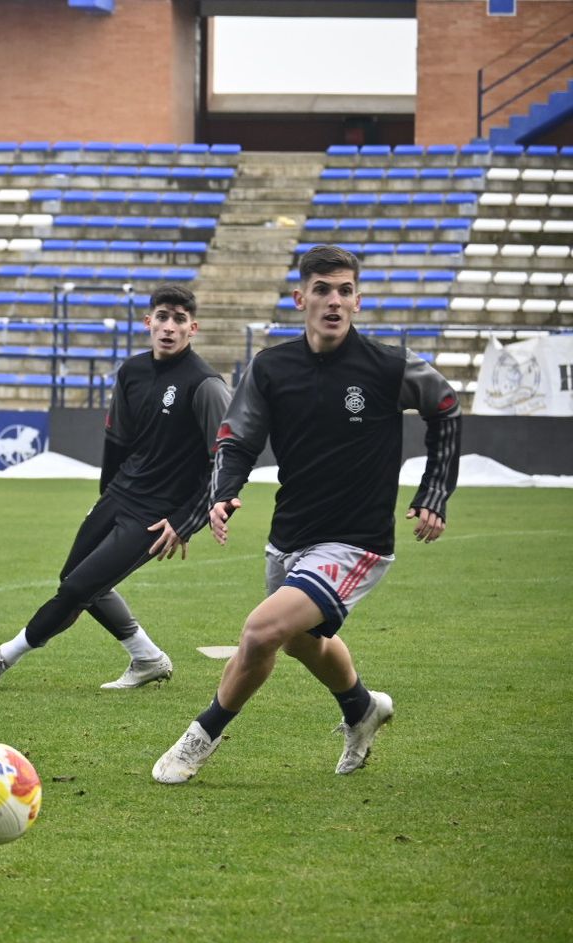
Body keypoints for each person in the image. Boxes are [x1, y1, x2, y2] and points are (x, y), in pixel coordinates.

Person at [152, 244, 461, 783]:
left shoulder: (389, 366)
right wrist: (224, 493)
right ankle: (362, 708)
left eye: (345, 290)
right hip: (290, 535)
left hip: (357, 541)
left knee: (260, 631)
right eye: (322, 290)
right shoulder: (271, 368)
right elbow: (236, 438)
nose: (334, 301)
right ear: (301, 299)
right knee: (299, 640)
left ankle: (199, 737)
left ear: (358, 301)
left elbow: (446, 407)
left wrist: (435, 490)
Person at [0, 284, 232, 693]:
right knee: (75, 578)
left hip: (154, 515)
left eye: (179, 320)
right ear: (148, 322)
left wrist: (184, 522)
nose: (169, 327)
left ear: (192, 328)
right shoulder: (131, 372)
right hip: (119, 496)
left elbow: (226, 460)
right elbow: (117, 441)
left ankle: (3, 658)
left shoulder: (205, 384)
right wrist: (106, 498)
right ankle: (147, 658)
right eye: (162, 317)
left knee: (77, 588)